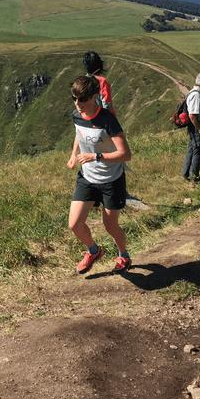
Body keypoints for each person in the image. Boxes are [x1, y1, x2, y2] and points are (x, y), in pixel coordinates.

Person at [67, 75, 133, 274]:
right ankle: (93, 251)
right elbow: (79, 134)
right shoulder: (77, 115)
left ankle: (124, 255)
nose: (78, 104)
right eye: (74, 99)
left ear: (95, 97)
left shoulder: (107, 119)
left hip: (111, 180)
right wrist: (73, 155)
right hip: (87, 177)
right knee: (74, 224)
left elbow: (125, 154)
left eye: (82, 99)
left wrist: (96, 156)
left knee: (110, 225)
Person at [182, 73, 200, 184]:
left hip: (195, 126)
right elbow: (192, 115)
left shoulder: (197, 93)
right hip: (195, 126)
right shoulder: (196, 95)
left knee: (191, 149)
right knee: (197, 150)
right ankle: (194, 177)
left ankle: (186, 174)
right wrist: (199, 129)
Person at [83, 51, 115, 115]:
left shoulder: (82, 81)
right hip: (101, 120)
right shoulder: (102, 82)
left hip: (86, 119)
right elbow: (107, 106)